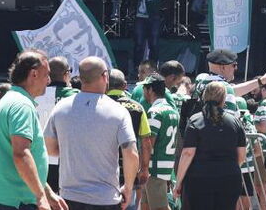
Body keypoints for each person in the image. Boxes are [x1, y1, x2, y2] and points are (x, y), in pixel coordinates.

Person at [45, 56, 138, 210]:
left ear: (80, 78)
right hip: (106, 198)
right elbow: (131, 154)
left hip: (68, 197)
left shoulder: (61, 108)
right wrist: (128, 187)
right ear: (105, 76)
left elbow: (49, 149)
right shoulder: (118, 111)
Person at [0, 50, 67, 210]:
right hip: (18, 202)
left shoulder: (9, 100)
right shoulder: (22, 106)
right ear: (34, 74)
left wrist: (46, 192)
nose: (49, 80)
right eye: (46, 75)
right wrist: (40, 196)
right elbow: (21, 154)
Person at [174, 81, 246, 210]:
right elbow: (241, 155)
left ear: (204, 97)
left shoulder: (195, 120)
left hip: (199, 179)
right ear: (224, 99)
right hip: (229, 178)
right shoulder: (235, 122)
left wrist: (178, 182)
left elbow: (188, 153)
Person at [130, 0, 200, 67]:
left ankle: (153, 68)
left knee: (154, 43)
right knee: (139, 43)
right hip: (140, 17)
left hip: (154, 16)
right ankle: (136, 69)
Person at [105, 69, 151, 210]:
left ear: (106, 84)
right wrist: (144, 168)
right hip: (129, 169)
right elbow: (145, 142)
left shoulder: (99, 104)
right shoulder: (137, 108)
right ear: (125, 85)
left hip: (103, 168)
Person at [36, 57, 80, 193]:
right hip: (67, 160)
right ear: (67, 74)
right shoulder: (77, 96)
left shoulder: (35, 95)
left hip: (39, 159)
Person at [138, 74, 179, 210]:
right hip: (165, 164)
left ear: (150, 90)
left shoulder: (155, 112)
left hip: (154, 167)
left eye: (144, 88)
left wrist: (143, 168)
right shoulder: (171, 110)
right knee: (145, 204)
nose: (143, 91)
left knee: (159, 207)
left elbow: (148, 143)